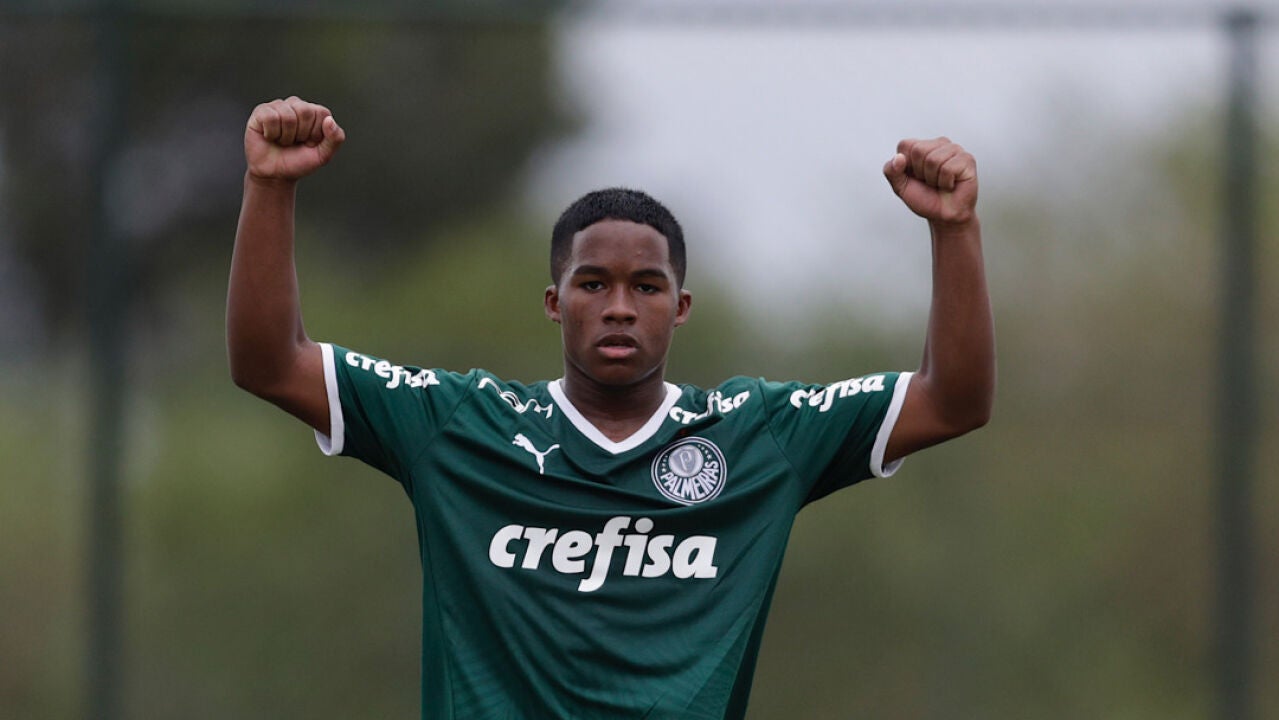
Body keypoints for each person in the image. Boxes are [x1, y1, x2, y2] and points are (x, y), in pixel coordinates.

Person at [228, 96, 995, 720]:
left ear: (680, 307)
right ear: (554, 302)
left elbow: (951, 400)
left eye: (646, 287)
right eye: (593, 284)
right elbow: (271, 362)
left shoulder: (756, 434)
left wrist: (953, 228)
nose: (619, 306)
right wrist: (269, 185)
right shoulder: (460, 424)